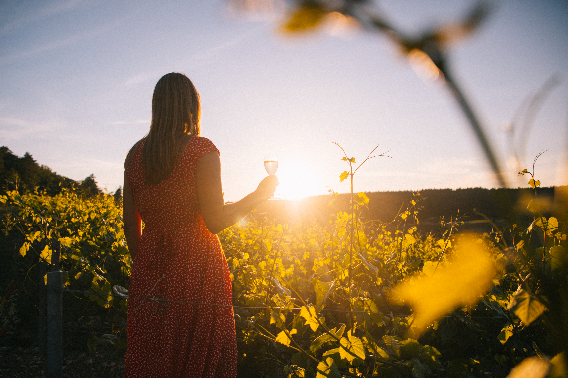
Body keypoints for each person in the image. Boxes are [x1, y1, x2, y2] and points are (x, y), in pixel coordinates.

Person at [123, 72, 278, 378]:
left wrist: (147, 265)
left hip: (149, 267)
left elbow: (130, 223)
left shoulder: (135, 155)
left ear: (157, 106)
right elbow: (216, 220)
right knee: (197, 358)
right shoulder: (200, 150)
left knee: (154, 357)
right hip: (197, 265)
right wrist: (259, 196)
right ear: (191, 106)